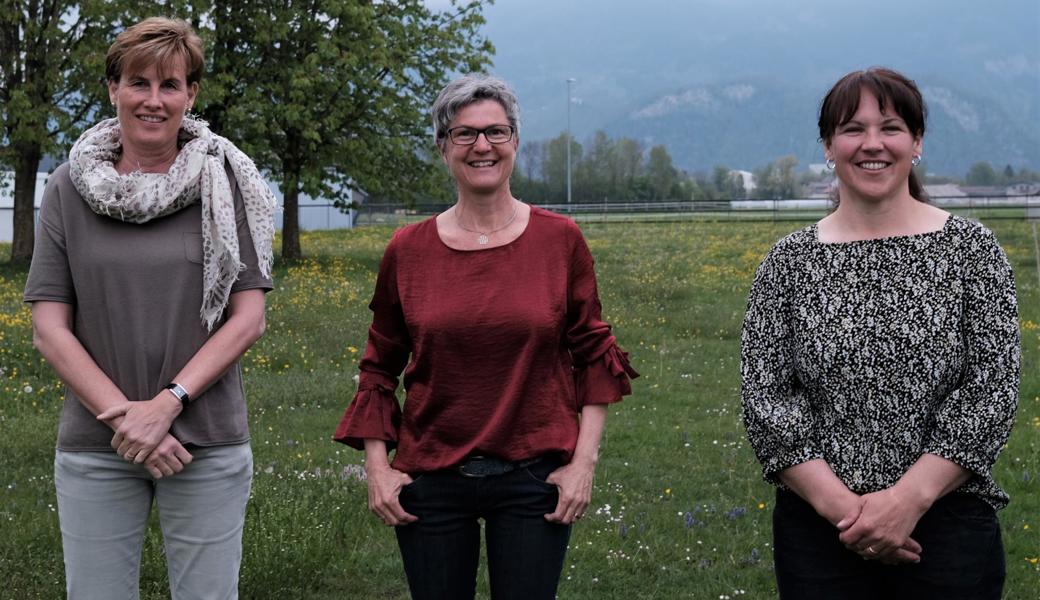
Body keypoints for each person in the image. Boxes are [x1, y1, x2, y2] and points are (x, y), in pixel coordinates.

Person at [333, 74, 637, 600]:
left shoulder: (560, 240)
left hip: (534, 478)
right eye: (464, 134)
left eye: (496, 132)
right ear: (443, 146)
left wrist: (581, 465)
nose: (481, 146)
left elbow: (594, 355)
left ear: (515, 142)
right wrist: (378, 469)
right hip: (431, 479)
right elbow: (379, 365)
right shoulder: (408, 249)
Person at [741, 67, 1019, 599]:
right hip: (820, 536)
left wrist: (907, 501)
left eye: (890, 127)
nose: (873, 144)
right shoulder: (787, 264)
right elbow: (767, 399)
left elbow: (993, 390)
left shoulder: (973, 252)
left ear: (916, 142)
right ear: (828, 146)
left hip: (948, 529)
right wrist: (851, 514)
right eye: (853, 128)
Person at [24, 17, 276, 599]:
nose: (154, 101)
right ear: (114, 90)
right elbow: (49, 328)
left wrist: (166, 405)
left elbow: (249, 317)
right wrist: (126, 417)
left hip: (205, 440)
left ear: (192, 94)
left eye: (171, 85)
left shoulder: (226, 183)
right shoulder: (65, 187)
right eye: (139, 83)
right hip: (98, 442)